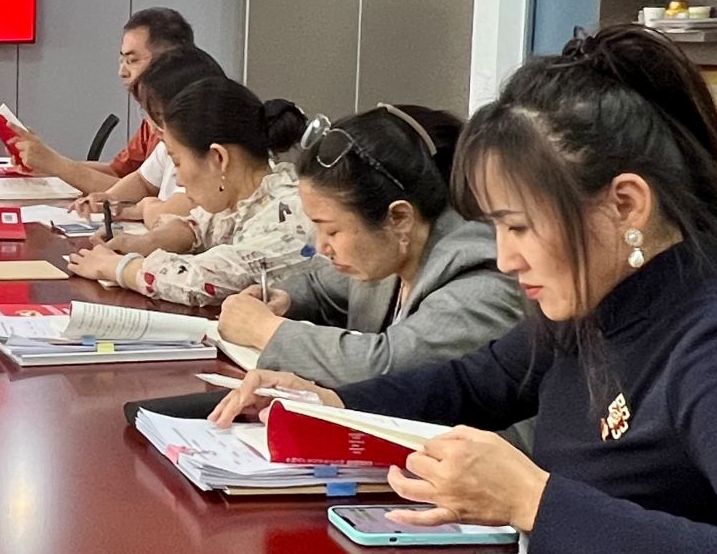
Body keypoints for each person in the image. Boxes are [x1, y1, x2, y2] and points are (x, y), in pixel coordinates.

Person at [213, 27, 717, 554]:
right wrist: (331, 404)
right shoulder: (593, 305)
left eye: (519, 227)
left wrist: (533, 500)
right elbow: (475, 382)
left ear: (626, 205)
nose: (504, 258)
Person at [213, 104, 526, 385]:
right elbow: (320, 289)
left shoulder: (483, 281)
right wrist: (284, 300)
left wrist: (266, 330)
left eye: (332, 231)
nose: (321, 247)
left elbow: (386, 367)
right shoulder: (392, 253)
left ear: (399, 218)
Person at [64, 74, 321, 308]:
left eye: (177, 162)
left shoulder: (289, 213)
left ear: (218, 158)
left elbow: (204, 281)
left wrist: (120, 268)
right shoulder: (245, 197)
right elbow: (196, 226)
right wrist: (143, 243)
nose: (179, 179)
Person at [10, 7, 192, 193]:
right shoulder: (152, 119)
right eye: (122, 60)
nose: (122, 72)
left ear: (168, 61)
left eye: (132, 61)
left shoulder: (189, 120)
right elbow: (121, 174)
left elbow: (142, 196)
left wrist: (55, 164)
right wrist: (47, 165)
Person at [75, 45, 226, 246]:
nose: (151, 125)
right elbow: (143, 180)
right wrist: (110, 198)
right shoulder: (168, 144)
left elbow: (175, 215)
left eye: (158, 115)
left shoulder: (205, 156)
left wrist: (145, 208)